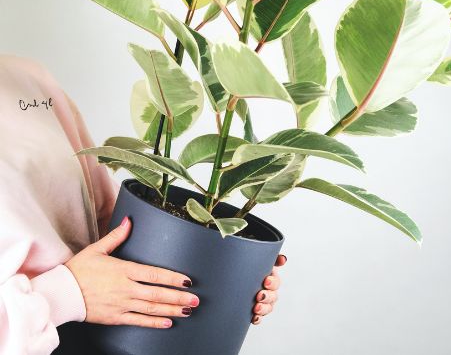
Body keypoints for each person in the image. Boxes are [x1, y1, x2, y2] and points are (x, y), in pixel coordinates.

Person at [0, 54, 286, 354]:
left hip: (118, 326)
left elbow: (106, 216)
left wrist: (231, 272)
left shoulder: (24, 80)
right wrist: (64, 295)